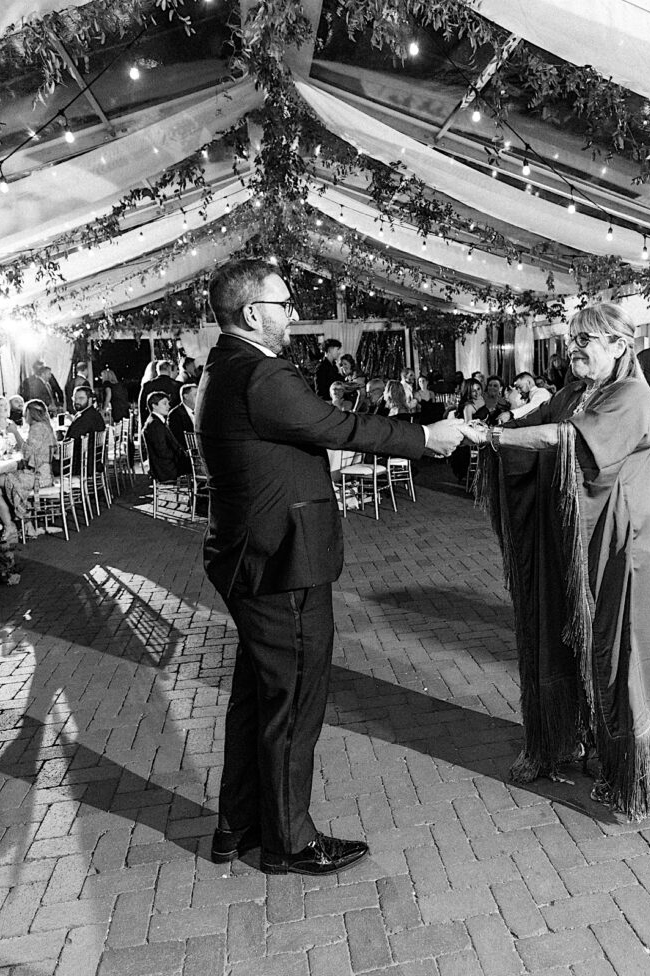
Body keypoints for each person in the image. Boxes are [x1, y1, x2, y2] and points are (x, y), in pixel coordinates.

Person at [195, 258, 463, 876]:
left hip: (257, 557)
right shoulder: (259, 374)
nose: (293, 314)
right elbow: (339, 425)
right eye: (284, 304)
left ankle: (238, 825)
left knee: (258, 700)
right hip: (281, 562)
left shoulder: (231, 368)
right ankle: (289, 841)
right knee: (293, 702)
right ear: (253, 313)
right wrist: (426, 438)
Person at [465, 301, 650, 820]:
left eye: (586, 339)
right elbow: (538, 422)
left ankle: (626, 764)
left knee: (617, 649)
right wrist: (491, 424)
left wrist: (493, 436)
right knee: (558, 631)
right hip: (572, 538)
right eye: (572, 338)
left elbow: (564, 439)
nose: (574, 348)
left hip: (619, 544)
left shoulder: (631, 394)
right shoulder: (573, 391)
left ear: (618, 345)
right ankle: (562, 739)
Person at [0, 400, 57, 536]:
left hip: (38, 477)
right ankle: (25, 525)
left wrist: (15, 433)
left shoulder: (37, 428)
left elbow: (28, 454)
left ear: (30, 413)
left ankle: (15, 525)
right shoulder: (45, 426)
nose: (24, 417)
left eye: (25, 414)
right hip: (45, 473)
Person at [141, 392, 189, 482]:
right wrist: (182, 457)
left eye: (168, 403)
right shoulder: (155, 424)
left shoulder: (157, 421)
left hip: (168, 465)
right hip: (166, 469)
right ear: (154, 406)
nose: (168, 406)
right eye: (164, 403)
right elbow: (162, 452)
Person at [450, 378, 488, 483]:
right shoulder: (468, 407)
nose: (477, 393)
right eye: (473, 391)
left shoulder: (482, 399)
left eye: (478, 389)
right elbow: (469, 427)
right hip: (472, 438)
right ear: (468, 392)